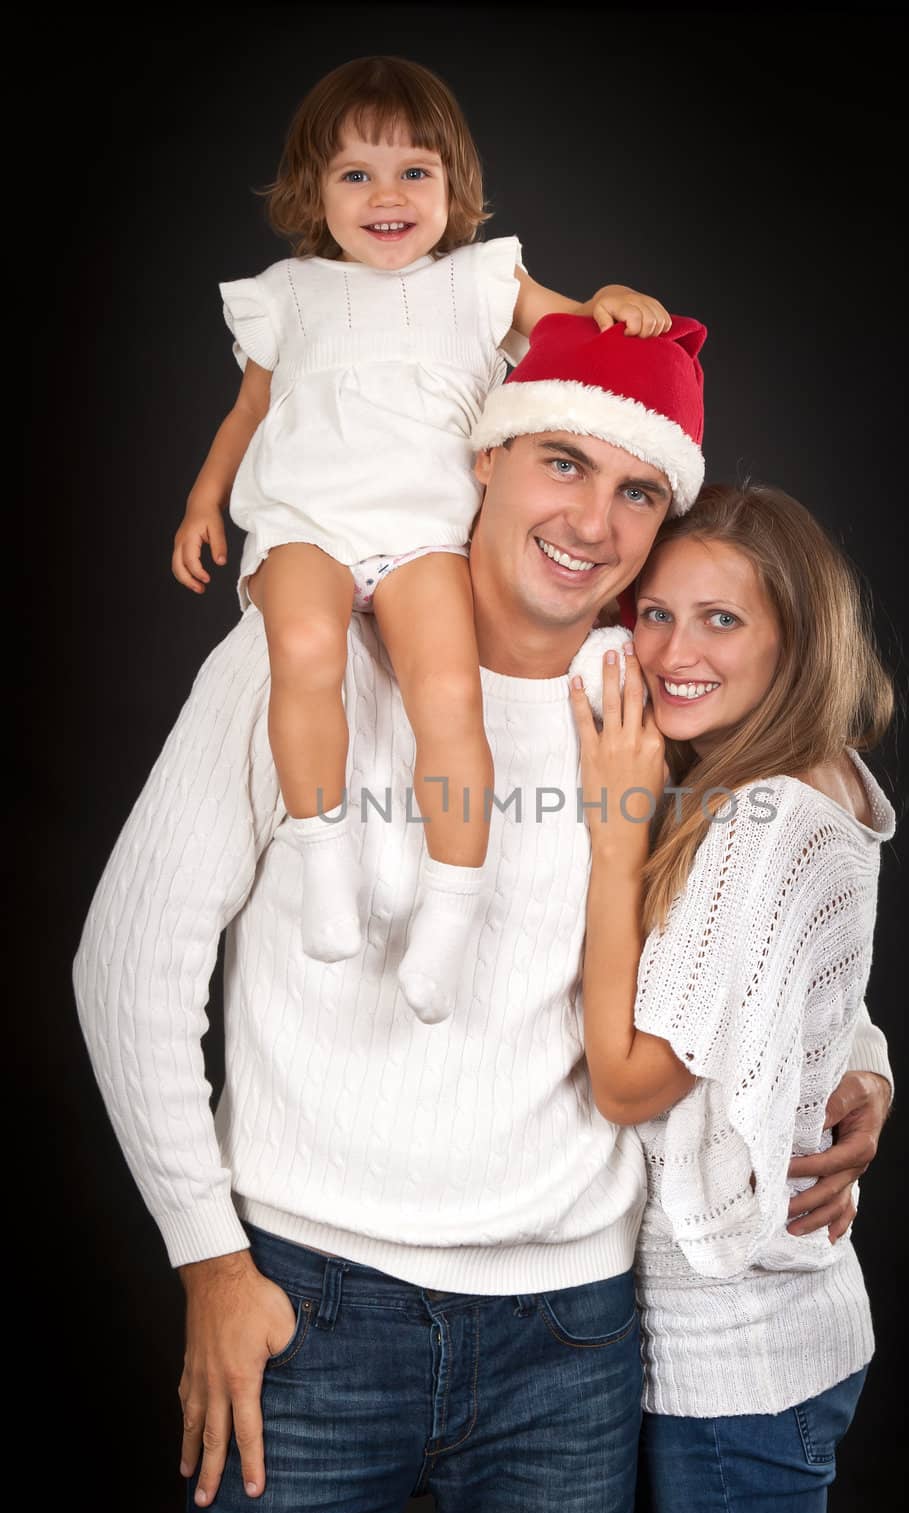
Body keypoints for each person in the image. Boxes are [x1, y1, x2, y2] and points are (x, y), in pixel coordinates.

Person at [74, 316, 893, 1513]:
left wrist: (860, 1061)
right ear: (484, 461)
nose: (594, 517)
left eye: (637, 489)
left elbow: (765, 899)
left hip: (573, 1333)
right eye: (560, 461)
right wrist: (209, 1260)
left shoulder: (655, 689)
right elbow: (128, 962)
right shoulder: (309, 657)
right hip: (307, 1306)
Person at [170, 54, 671, 1024]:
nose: (386, 195)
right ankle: (326, 858)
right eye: (356, 173)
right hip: (308, 522)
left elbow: (578, 334)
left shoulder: (482, 282)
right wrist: (203, 501)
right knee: (304, 652)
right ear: (317, 189)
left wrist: (611, 297)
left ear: (454, 189)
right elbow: (249, 410)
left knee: (446, 692)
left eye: (415, 173)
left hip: (424, 532)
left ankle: (451, 908)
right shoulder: (290, 292)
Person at [570, 482, 897, 1513]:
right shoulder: (797, 777)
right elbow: (810, 996)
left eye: (722, 619)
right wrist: (870, 1067)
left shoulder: (764, 821)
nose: (673, 650)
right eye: (654, 612)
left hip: (734, 1360)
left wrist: (618, 841)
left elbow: (623, 1083)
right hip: (766, 1340)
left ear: (796, 638)